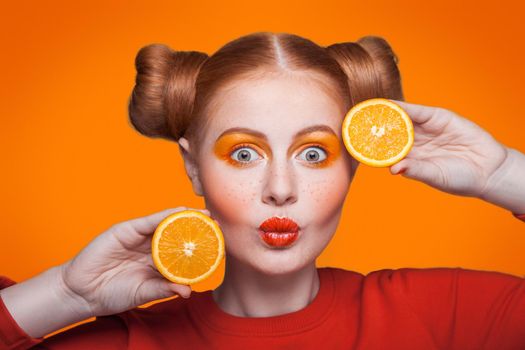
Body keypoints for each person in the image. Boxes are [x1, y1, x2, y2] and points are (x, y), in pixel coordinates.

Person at [1, 31, 524, 350]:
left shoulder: (444, 316)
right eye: (244, 154)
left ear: (355, 167)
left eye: (315, 154)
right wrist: (66, 294)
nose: (280, 189)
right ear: (194, 167)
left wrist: (502, 174)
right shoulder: (128, 341)